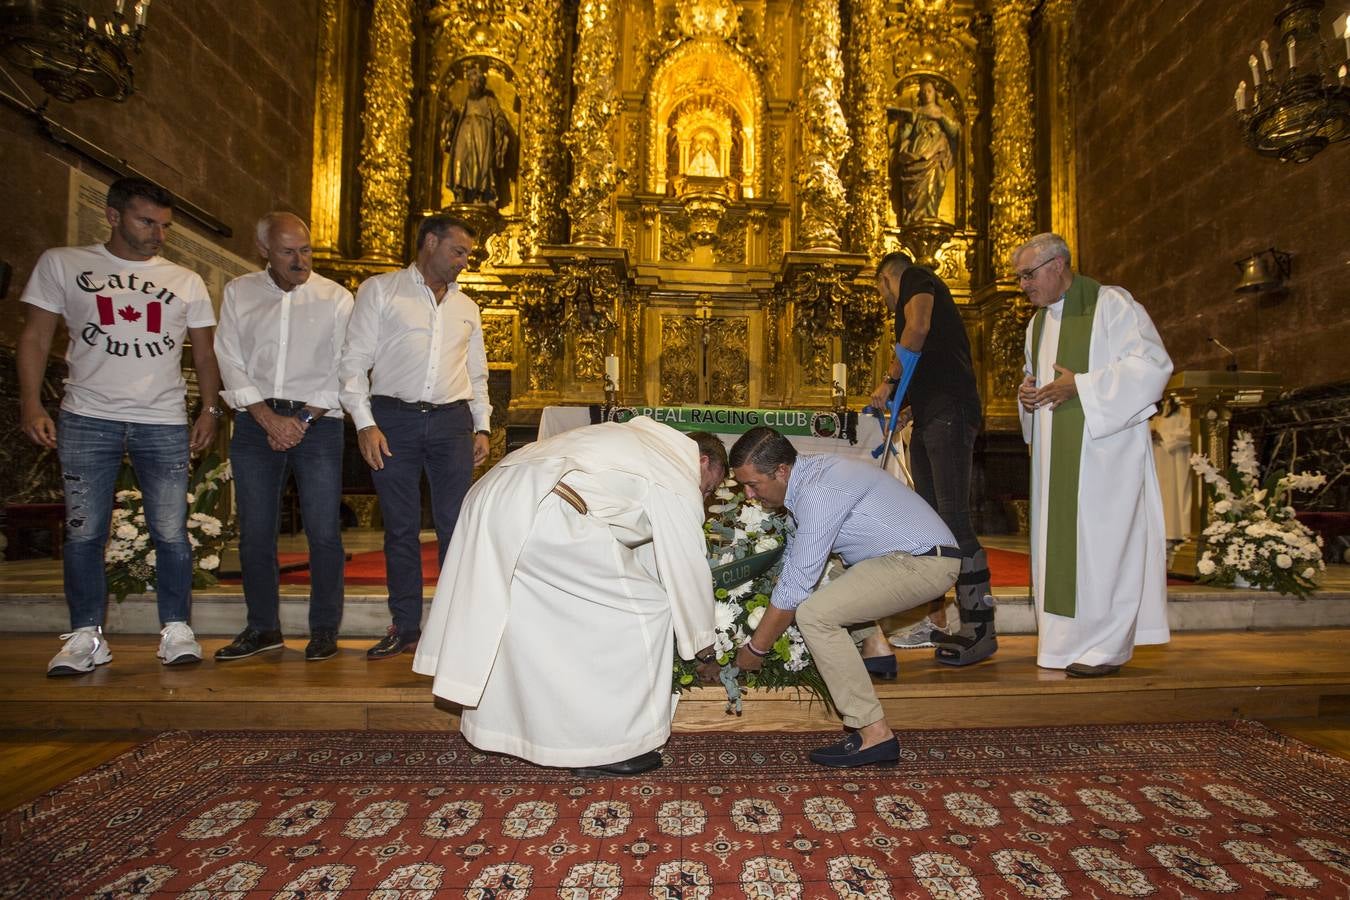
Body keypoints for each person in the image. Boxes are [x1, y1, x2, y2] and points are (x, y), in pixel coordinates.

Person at [412, 419, 727, 776]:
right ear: (701, 461)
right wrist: (704, 646)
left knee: (526, 619)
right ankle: (611, 745)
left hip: (497, 494)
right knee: (650, 609)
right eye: (708, 488)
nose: (703, 495)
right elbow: (687, 564)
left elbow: (649, 553)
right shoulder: (675, 467)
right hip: (546, 511)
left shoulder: (639, 444)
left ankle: (531, 733)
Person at [17, 176, 223, 675]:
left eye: (164, 225)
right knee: (85, 531)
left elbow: (205, 352)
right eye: (146, 221)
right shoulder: (63, 264)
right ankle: (86, 635)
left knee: (171, 531)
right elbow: (37, 338)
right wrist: (30, 404)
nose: (157, 234)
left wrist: (210, 410)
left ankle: (176, 629)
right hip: (88, 416)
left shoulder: (185, 280)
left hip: (162, 419)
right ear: (112, 215)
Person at [728, 427, 960, 768]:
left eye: (753, 485)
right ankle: (875, 648)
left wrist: (756, 649)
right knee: (822, 580)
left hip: (923, 562)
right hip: (900, 557)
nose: (749, 495)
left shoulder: (818, 490)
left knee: (814, 614)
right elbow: (796, 561)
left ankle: (874, 732)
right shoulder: (809, 478)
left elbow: (795, 587)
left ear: (781, 471)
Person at [1014, 232, 1172, 677]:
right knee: (1065, 551)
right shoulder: (1037, 324)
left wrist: (1080, 385)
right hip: (1057, 462)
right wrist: (1027, 394)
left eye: (1028, 275)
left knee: (1103, 548)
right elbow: (1036, 379)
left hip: (1105, 458)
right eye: (1020, 277)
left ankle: (1107, 645)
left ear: (1058, 265)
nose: (1023, 285)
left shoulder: (1112, 305)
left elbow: (1152, 366)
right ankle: (1063, 645)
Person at [340, 214, 491, 659]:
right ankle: (405, 626)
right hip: (394, 420)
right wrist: (365, 423)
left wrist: (481, 424)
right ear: (430, 243)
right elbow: (352, 362)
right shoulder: (381, 290)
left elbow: (476, 372)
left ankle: (451, 629)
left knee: (455, 528)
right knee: (401, 529)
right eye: (457, 251)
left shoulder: (467, 306)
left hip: (452, 423)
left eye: (466, 254)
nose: (464, 262)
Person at [213, 212, 354, 663]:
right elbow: (228, 357)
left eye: (306, 249)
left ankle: (325, 629)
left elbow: (345, 364)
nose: (300, 260)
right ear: (264, 251)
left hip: (319, 422)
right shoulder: (239, 292)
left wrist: (302, 420)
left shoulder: (336, 297)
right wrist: (265, 416)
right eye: (288, 251)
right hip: (256, 422)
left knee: (323, 531)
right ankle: (263, 628)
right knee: (255, 533)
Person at [869, 252, 994, 665]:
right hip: (931, 414)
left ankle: (979, 625)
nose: (887, 301)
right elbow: (926, 359)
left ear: (887, 279)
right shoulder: (911, 291)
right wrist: (908, 404)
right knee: (932, 523)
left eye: (881, 292)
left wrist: (890, 382)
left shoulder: (916, 278)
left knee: (953, 518)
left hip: (950, 413)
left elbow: (918, 329)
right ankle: (940, 619)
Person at [888, 77, 960, 224]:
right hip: (917, 152)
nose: (926, 94)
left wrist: (941, 118)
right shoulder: (916, 112)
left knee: (934, 184)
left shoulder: (941, 113)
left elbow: (954, 132)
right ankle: (914, 216)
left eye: (929, 91)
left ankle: (931, 213)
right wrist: (904, 123)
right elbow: (905, 136)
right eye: (923, 92)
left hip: (935, 154)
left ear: (935, 94)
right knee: (916, 187)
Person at [444, 64, 513, 206]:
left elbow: (499, 116)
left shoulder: (489, 101)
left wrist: (500, 126)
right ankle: (460, 192)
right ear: (469, 82)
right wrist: (449, 119)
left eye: (478, 82)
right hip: (464, 133)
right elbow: (453, 115)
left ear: (482, 84)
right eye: (472, 81)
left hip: (482, 136)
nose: (475, 84)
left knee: (480, 164)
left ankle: (480, 195)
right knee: (460, 160)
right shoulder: (464, 101)